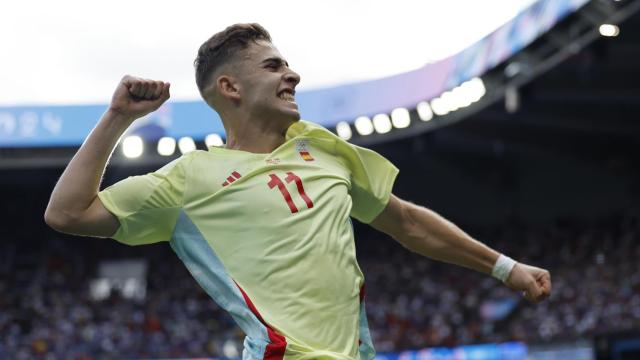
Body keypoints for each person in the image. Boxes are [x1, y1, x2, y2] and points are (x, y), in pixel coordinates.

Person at [45, 23, 551, 359]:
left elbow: (408, 222)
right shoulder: (187, 181)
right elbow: (67, 213)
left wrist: (505, 268)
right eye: (272, 66)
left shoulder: (324, 150)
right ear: (230, 88)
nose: (292, 74)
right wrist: (117, 119)